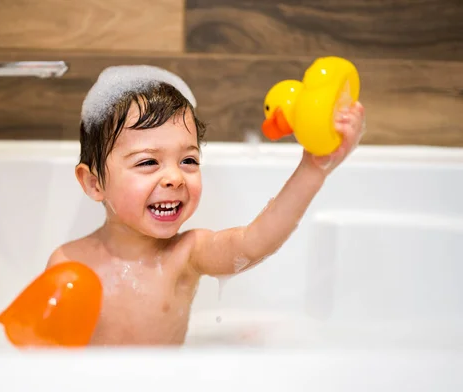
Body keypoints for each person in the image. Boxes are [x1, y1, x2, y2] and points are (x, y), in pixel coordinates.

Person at [47, 65, 366, 345]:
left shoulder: (186, 254)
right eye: (148, 162)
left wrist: (312, 169)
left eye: (188, 159)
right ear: (93, 183)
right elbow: (44, 352)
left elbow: (254, 242)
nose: (174, 177)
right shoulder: (67, 261)